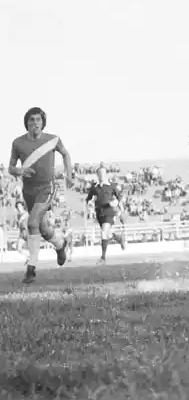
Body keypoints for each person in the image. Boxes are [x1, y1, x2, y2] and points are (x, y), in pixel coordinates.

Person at [8, 107, 75, 284]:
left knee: (31, 222)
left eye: (38, 119)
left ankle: (31, 268)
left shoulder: (52, 140)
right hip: (28, 191)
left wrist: (69, 173)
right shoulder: (18, 143)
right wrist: (19, 170)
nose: (35, 123)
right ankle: (61, 246)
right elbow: (11, 168)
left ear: (43, 122)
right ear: (26, 123)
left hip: (47, 188)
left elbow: (66, 154)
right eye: (31, 120)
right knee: (43, 230)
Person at [85, 166, 128, 264]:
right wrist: (90, 204)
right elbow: (88, 199)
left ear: (106, 174)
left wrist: (121, 209)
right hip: (99, 213)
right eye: (99, 173)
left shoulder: (112, 185)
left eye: (103, 173)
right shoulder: (94, 187)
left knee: (103, 232)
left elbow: (119, 198)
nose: (101, 175)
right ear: (97, 174)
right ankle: (119, 238)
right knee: (107, 234)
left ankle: (103, 258)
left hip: (109, 211)